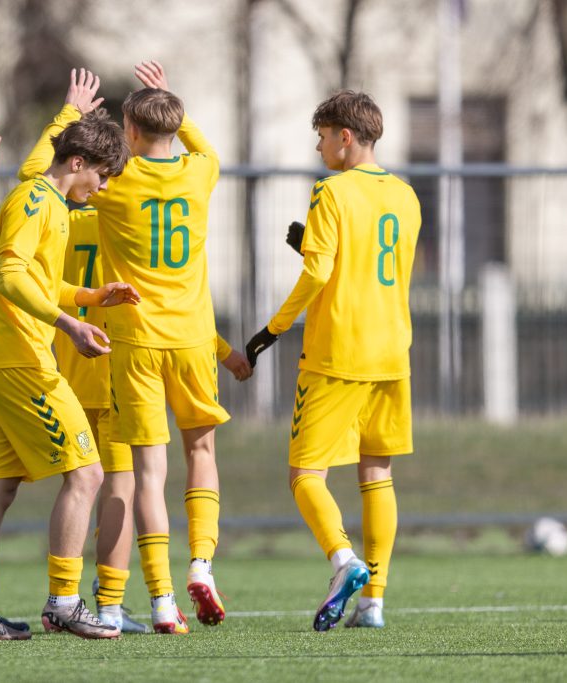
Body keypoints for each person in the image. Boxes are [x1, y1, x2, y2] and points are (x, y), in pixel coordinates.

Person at [0, 105, 139, 642]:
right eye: (101, 175)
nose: (103, 188)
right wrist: (67, 324)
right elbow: (7, 276)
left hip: (1, 362)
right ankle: (64, 602)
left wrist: (90, 297)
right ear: (77, 162)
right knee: (88, 474)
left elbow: (35, 279)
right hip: (22, 363)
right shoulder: (35, 199)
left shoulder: (51, 203)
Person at [245, 90, 421, 631]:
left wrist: (272, 330)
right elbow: (373, 267)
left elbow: (320, 274)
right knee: (377, 474)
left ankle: (344, 560)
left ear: (346, 137)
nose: (318, 147)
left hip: (338, 351)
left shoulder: (330, 191)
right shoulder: (407, 195)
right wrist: (313, 247)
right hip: (392, 352)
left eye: (322, 137)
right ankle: (373, 605)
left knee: (305, 474)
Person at [89, 61, 239, 634]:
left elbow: (48, 175)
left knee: (148, 473)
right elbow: (203, 147)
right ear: (174, 126)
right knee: (202, 453)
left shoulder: (114, 182)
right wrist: (173, 103)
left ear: (129, 130)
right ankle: (202, 562)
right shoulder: (201, 172)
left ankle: (160, 600)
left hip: (137, 341)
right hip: (194, 339)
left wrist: (75, 117)